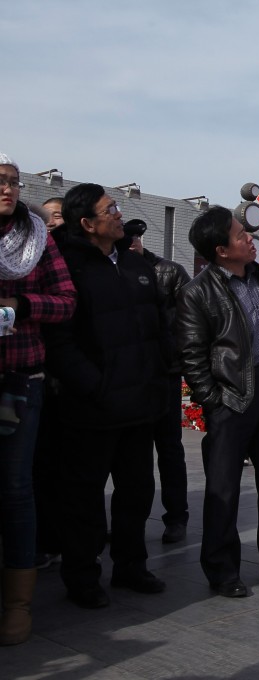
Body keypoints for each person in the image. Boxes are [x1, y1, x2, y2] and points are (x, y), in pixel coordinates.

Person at [46, 183, 168, 609]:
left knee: (136, 492)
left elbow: (157, 331)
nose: (118, 215)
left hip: (139, 405)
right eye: (110, 209)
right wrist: (94, 386)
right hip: (91, 408)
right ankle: (82, 576)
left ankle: (131, 566)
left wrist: (158, 380)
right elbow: (59, 341)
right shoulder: (65, 268)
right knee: (84, 499)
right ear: (87, 223)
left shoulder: (138, 268)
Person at [177, 206, 259, 598]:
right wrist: (213, 401)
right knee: (224, 489)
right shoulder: (197, 292)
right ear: (221, 250)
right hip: (231, 399)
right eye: (239, 235)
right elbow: (191, 355)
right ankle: (222, 572)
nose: (248, 237)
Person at [0, 154, 75, 644]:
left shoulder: (36, 236)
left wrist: (22, 304)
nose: (7, 189)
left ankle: (18, 604)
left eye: (12, 182)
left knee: (15, 488)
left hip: (21, 376)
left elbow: (67, 302)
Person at [123, 219, 192, 544]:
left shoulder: (169, 272)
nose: (132, 242)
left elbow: (188, 323)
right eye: (126, 237)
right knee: (127, 455)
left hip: (163, 375)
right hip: (126, 379)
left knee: (169, 450)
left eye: (135, 237)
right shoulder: (111, 270)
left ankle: (176, 517)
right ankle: (126, 524)